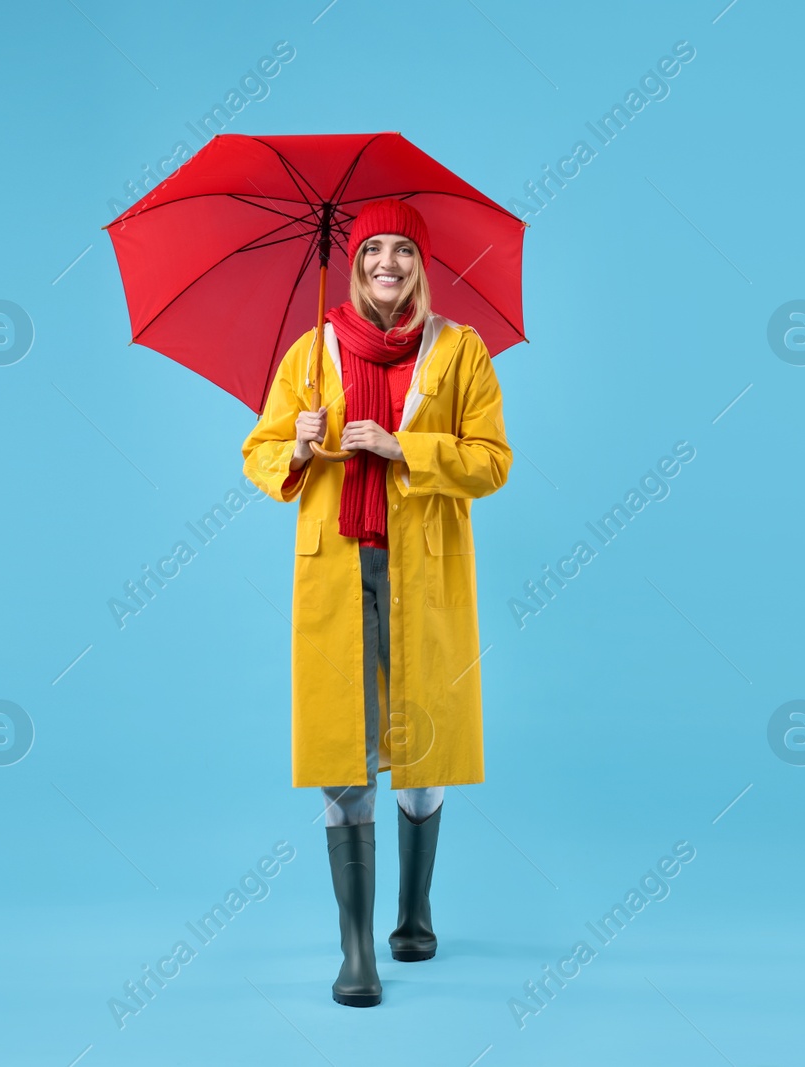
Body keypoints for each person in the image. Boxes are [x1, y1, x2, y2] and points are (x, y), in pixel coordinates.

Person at [240, 197, 512, 1007]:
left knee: (419, 741)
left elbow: (493, 462)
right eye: (370, 253)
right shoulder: (311, 354)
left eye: (400, 251)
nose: (385, 265)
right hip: (338, 568)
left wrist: (404, 447)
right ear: (352, 264)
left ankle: (414, 908)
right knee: (342, 747)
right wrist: (295, 442)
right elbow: (257, 452)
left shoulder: (460, 352)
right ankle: (357, 949)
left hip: (421, 572)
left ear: (421, 264)